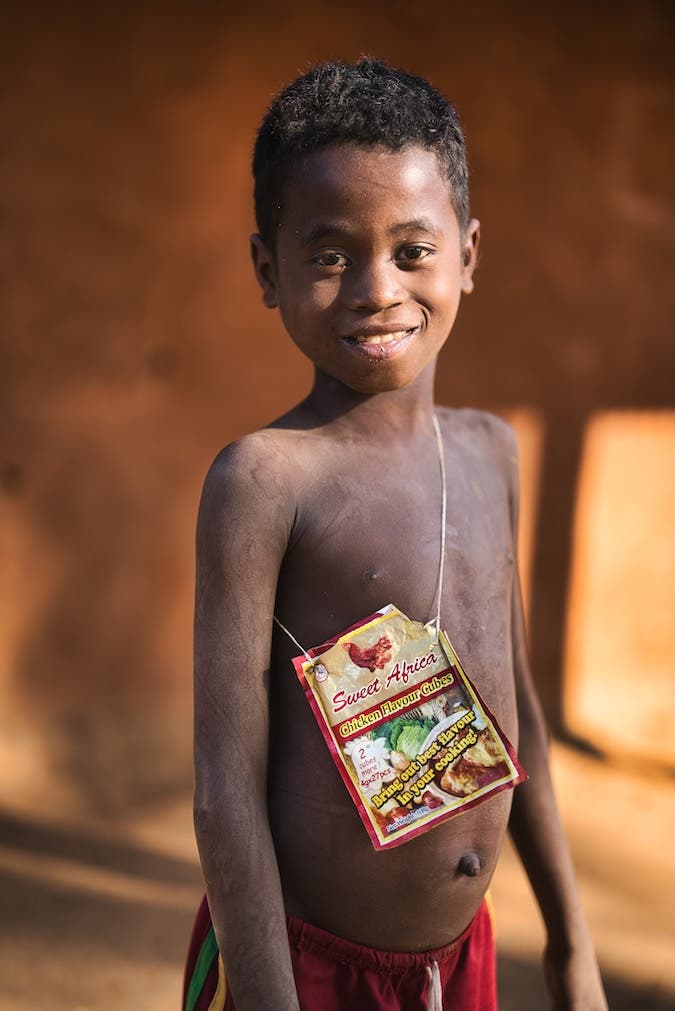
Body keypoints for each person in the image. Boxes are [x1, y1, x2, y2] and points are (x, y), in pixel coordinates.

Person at [183, 58, 608, 1011]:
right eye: (329, 254)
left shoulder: (491, 453)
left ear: (467, 253)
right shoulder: (263, 480)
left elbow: (518, 718)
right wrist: (267, 996)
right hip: (303, 967)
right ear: (268, 268)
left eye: (412, 249)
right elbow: (224, 791)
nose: (377, 289)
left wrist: (572, 948)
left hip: (458, 963)